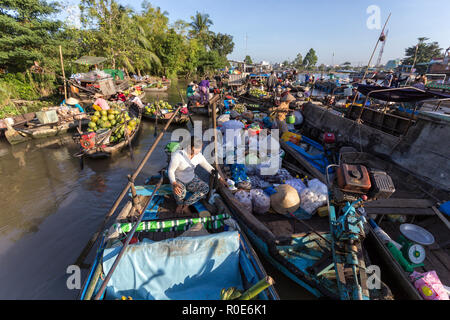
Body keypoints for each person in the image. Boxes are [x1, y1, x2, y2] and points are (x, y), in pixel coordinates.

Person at [168, 138, 226, 214]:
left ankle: (186, 205)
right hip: (178, 180)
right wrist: (174, 183)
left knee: (205, 188)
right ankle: (179, 205)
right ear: (190, 146)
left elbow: (208, 167)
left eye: (200, 148)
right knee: (180, 192)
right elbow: (170, 171)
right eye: (196, 148)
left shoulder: (198, 156)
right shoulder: (178, 155)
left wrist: (220, 178)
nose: (198, 151)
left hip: (192, 179)